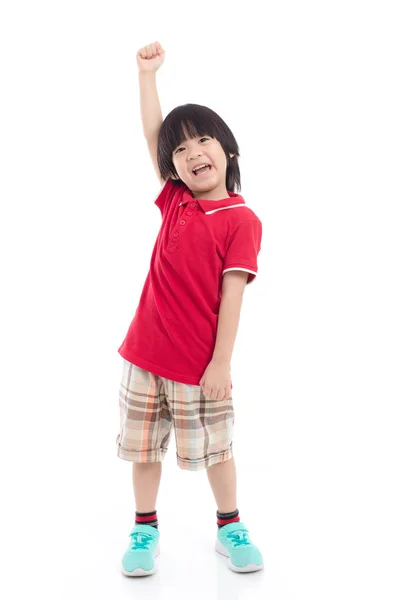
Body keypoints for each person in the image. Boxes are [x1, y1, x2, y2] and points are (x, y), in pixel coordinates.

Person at [116, 41, 264, 576]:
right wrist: (147, 76)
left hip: (200, 367)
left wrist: (221, 363)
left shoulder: (241, 219)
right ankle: (144, 528)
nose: (192, 153)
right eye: (180, 151)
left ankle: (230, 525)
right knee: (143, 450)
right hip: (143, 355)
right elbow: (154, 134)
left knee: (218, 451)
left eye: (203, 140)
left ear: (227, 149)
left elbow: (232, 296)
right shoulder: (176, 198)